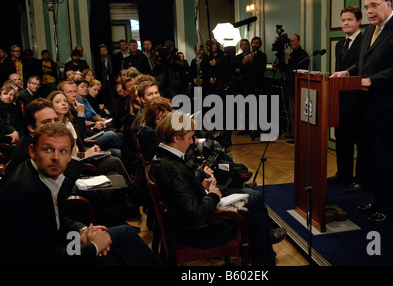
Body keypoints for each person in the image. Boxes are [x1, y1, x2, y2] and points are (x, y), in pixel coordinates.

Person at [0, 123, 163, 266]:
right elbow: (40, 258)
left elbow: (56, 219)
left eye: (63, 151)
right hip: (47, 256)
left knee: (125, 234)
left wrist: (82, 231)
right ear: (33, 151)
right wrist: (92, 247)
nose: (56, 157)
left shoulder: (43, 175)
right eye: (48, 149)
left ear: (70, 155)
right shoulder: (24, 192)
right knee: (109, 257)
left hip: (57, 245)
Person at [330, 0, 393, 224]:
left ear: (388, 5)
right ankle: (378, 199)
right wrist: (347, 72)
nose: (370, 11)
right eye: (367, 6)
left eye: (374, 5)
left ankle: (389, 208)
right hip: (367, 108)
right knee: (372, 160)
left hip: (389, 110)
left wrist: (371, 80)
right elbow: (364, 65)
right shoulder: (371, 30)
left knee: (387, 162)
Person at [149, 110, 281, 266]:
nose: (192, 142)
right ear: (176, 138)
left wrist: (200, 186)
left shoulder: (160, 158)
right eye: (190, 138)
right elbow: (194, 213)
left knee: (254, 212)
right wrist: (212, 196)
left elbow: (182, 195)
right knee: (256, 217)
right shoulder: (172, 168)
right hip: (198, 233)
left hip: (185, 225)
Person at [327, 6, 366, 192]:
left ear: (359, 21)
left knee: (359, 141)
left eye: (349, 20)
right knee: (342, 140)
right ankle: (343, 174)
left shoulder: (365, 41)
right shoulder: (339, 44)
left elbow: (362, 66)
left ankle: (359, 178)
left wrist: (348, 73)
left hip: (358, 101)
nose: (345, 23)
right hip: (339, 100)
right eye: (343, 20)